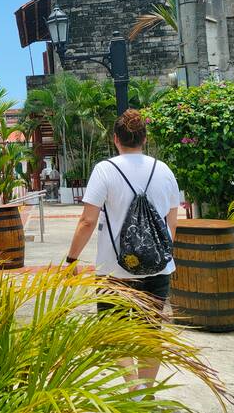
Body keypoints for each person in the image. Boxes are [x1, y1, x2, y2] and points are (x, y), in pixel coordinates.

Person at [64, 109, 179, 397]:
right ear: (144, 138)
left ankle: (134, 389)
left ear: (116, 139)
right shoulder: (163, 170)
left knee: (114, 331)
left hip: (114, 271)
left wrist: (71, 259)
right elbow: (171, 223)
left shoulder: (105, 170)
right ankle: (146, 393)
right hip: (157, 268)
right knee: (150, 332)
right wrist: (158, 254)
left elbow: (87, 221)